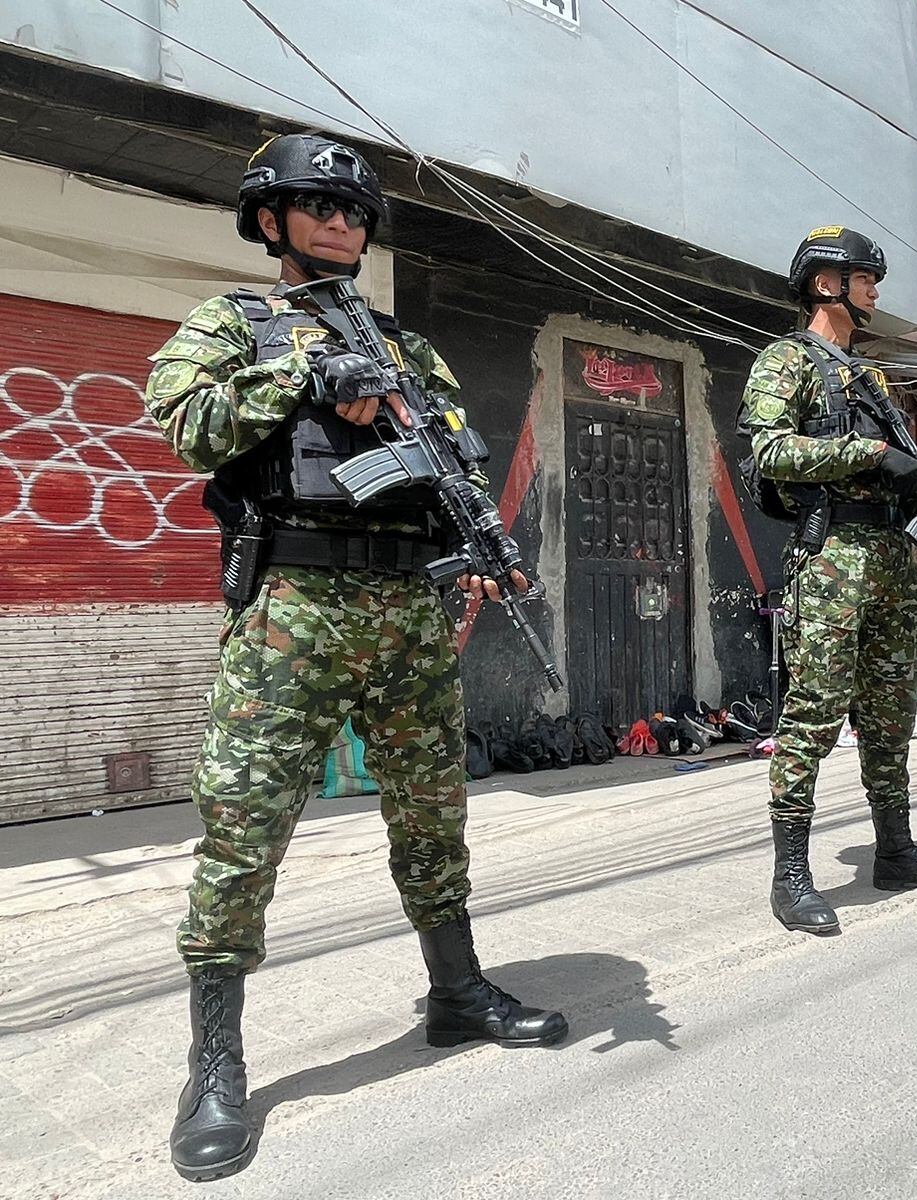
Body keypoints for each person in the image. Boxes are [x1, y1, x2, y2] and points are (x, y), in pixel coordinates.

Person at [144, 134, 566, 1183]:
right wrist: (300, 373)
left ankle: (457, 992)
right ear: (270, 219)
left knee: (432, 810)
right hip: (295, 609)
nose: (341, 226)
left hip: (408, 608)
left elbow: (451, 451)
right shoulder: (232, 324)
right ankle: (213, 1063)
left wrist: (481, 542)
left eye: (354, 214)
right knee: (245, 831)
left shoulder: (407, 349)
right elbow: (183, 422)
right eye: (316, 208)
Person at [740, 225, 917, 936]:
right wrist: (867, 452)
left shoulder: (869, 378)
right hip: (833, 556)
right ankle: (791, 874)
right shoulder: (788, 360)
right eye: (866, 276)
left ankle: (896, 850)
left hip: (894, 559)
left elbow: (908, 469)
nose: (876, 288)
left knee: (891, 714)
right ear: (826, 283)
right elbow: (770, 449)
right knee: (813, 715)